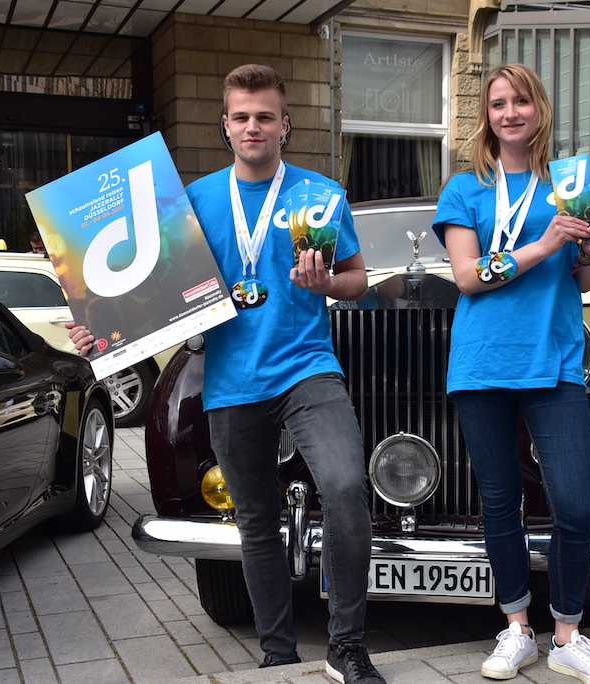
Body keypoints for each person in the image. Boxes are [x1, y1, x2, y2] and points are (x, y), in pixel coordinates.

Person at [66, 64, 385, 684]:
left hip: (306, 369)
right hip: (232, 378)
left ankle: (346, 644)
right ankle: (278, 654)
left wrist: (329, 284)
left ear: (285, 125)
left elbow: (358, 279)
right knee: (256, 520)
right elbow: (140, 294)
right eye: (241, 117)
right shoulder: (191, 203)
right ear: (225, 126)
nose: (253, 126)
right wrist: (99, 329)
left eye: (265, 116)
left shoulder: (321, 195)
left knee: (346, 489)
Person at [431, 62, 590, 684]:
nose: (509, 113)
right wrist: (542, 244)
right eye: (497, 104)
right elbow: (466, 277)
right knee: (500, 503)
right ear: (485, 117)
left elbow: (585, 281)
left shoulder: (569, 186)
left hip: (556, 358)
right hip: (483, 361)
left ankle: (567, 635)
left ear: (538, 109)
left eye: (520, 102)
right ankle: (516, 627)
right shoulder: (466, 189)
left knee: (572, 500)